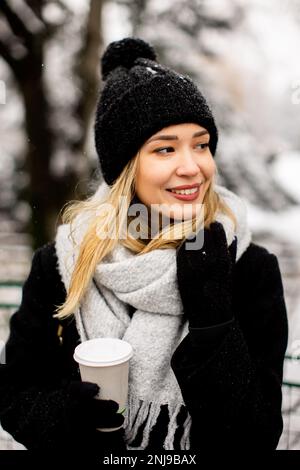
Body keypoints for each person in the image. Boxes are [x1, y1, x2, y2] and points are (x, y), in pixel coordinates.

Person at [0, 37, 288, 452]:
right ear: (125, 170)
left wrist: (212, 316)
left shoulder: (248, 266)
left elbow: (254, 437)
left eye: (201, 144)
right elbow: (16, 388)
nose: (192, 167)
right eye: (165, 148)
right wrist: (60, 419)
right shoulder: (64, 262)